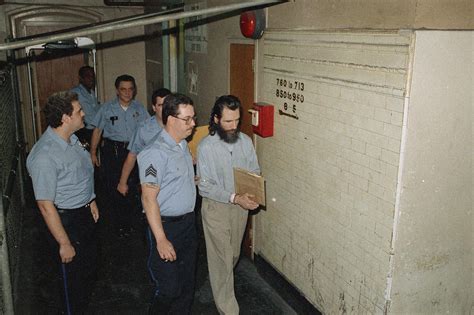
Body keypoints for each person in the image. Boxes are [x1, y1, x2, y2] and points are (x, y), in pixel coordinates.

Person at [26, 91, 99, 314]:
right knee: (70, 286)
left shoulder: (71, 139)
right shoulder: (45, 156)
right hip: (65, 222)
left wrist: (91, 200)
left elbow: (81, 174)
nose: (83, 113)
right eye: (79, 111)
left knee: (85, 275)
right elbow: (45, 206)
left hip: (82, 214)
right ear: (66, 118)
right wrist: (64, 243)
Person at [196, 95, 260, 315]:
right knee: (223, 259)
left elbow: (254, 171)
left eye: (237, 121)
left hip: (239, 208)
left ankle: (211, 284)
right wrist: (234, 197)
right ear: (216, 119)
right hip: (216, 207)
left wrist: (253, 194)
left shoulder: (245, 142)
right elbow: (205, 186)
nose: (233, 127)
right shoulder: (206, 147)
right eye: (228, 122)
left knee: (232, 256)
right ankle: (229, 310)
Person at [138, 93, 197, 314]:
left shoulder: (182, 145)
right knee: (169, 288)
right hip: (165, 227)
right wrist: (161, 239)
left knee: (186, 287)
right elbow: (148, 198)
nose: (193, 123)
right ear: (171, 119)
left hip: (188, 226)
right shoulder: (154, 152)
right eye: (187, 119)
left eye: (193, 117)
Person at [90, 74, 149, 236]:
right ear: (117, 91)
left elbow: (147, 130)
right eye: (123, 89)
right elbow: (98, 131)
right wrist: (93, 152)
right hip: (113, 151)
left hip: (134, 152)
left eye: (130, 89)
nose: (127, 93)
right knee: (114, 188)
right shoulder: (107, 108)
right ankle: (117, 225)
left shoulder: (139, 108)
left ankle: (131, 224)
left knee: (132, 187)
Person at [117, 88, 171, 196]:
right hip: (152, 179)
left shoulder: (179, 124)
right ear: (154, 108)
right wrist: (123, 182)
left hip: (172, 178)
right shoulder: (144, 129)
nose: (165, 109)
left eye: (168, 105)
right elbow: (132, 156)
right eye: (160, 105)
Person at [70, 65, 99, 146]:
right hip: (84, 132)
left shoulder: (91, 93)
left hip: (94, 131)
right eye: (88, 76)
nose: (91, 79)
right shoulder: (75, 92)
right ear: (81, 78)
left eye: (92, 76)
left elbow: (96, 111)